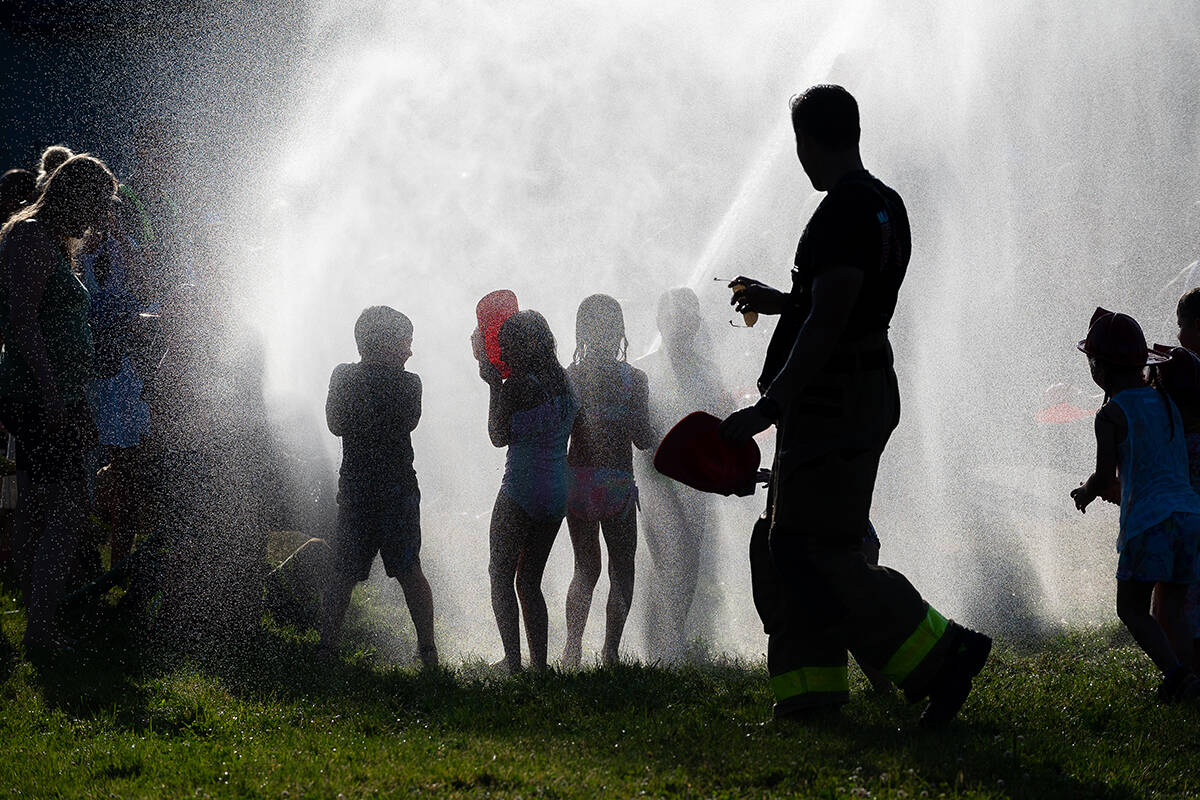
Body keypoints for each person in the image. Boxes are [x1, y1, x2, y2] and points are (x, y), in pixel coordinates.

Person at [720, 85, 990, 726]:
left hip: (832, 399)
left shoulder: (841, 211)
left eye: (799, 145)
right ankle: (810, 697)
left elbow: (833, 318)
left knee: (816, 550)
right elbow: (848, 299)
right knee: (800, 546)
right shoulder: (883, 205)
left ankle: (944, 654)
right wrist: (785, 299)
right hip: (860, 390)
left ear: (809, 140)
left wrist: (771, 405)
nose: (799, 158)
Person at [0, 154, 116, 653]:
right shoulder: (30, 239)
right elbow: (21, 324)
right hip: (42, 396)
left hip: (55, 395)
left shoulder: (48, 240)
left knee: (42, 511)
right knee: (65, 513)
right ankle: (41, 632)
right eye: (97, 204)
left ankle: (36, 625)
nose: (99, 217)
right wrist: (53, 396)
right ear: (76, 196)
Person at [1072, 308, 1200, 701]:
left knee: (1131, 608)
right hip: (1190, 515)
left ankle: (1177, 676)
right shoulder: (1166, 403)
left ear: (1099, 369)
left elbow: (1103, 475)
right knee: (1175, 605)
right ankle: (1192, 674)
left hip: (1149, 524)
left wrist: (1086, 492)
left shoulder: (1110, 414)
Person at [320, 306, 437, 667]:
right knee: (409, 570)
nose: (409, 352)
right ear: (385, 343)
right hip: (398, 490)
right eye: (406, 343)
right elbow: (411, 421)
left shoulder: (343, 377)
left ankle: (327, 648)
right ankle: (427, 651)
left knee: (343, 572)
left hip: (357, 489)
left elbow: (335, 424)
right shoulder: (410, 383)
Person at [635, 287, 733, 662]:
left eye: (689, 317)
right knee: (668, 558)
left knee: (687, 563)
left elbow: (718, 418)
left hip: (694, 481)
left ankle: (671, 645)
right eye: (675, 316)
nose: (682, 324)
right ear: (660, 321)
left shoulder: (704, 372)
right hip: (654, 479)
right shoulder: (644, 370)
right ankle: (661, 652)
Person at [479, 310, 578, 673]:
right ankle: (540, 666)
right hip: (555, 493)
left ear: (524, 347)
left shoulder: (517, 386)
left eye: (507, 348)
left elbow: (497, 436)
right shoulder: (564, 381)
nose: (503, 355)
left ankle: (514, 663)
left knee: (500, 575)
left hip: (519, 488)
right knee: (530, 581)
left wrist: (492, 385)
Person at [561, 294, 653, 668]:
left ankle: (571, 647)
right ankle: (610, 651)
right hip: (616, 483)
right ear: (619, 332)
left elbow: (559, 430)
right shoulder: (635, 380)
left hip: (577, 483)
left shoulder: (569, 379)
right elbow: (643, 438)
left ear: (581, 332)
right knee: (621, 568)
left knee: (585, 567)